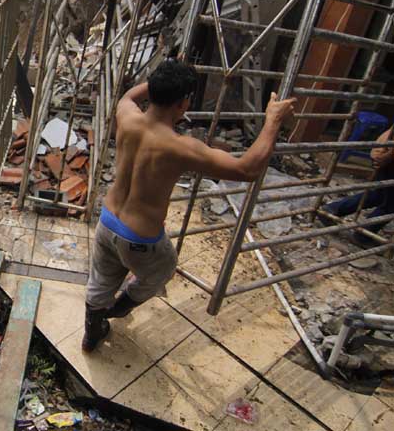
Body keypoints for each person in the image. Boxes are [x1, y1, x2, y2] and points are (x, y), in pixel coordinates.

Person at [83, 60, 297, 352]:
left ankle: (92, 330)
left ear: (154, 91)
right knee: (163, 269)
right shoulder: (180, 147)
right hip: (140, 239)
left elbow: (129, 96)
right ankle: (120, 309)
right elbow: (247, 169)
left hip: (107, 221)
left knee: (101, 278)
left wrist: (162, 80)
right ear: (183, 103)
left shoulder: (127, 115)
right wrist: (273, 120)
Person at [320, 125, 394, 247]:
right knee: (390, 204)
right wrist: (387, 157)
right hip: (388, 158)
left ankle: (333, 209)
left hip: (385, 154)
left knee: (379, 194)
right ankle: (364, 235)